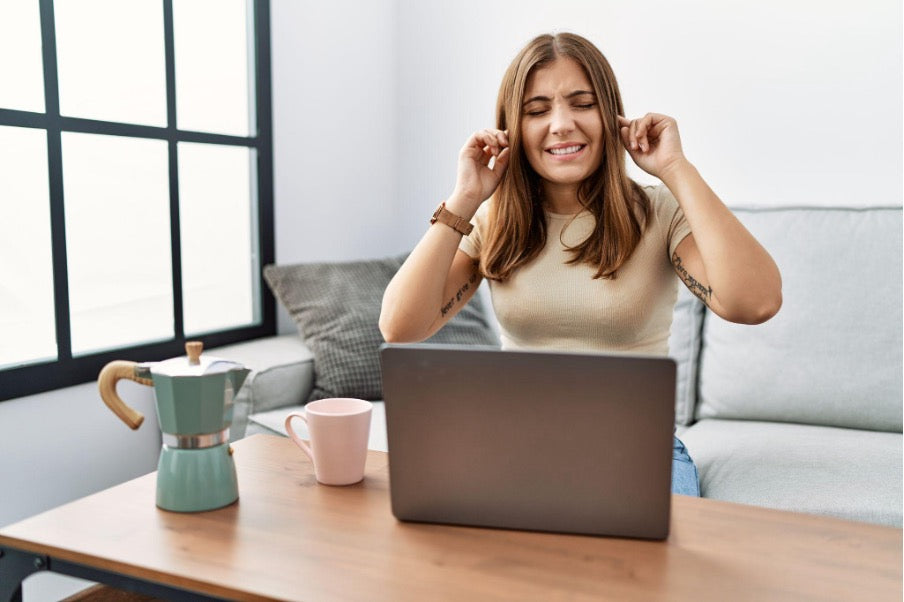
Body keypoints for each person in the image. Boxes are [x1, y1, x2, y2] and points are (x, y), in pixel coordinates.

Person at [379, 32, 782, 496]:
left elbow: (756, 302)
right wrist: (465, 198)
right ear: (513, 128)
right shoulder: (494, 222)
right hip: (514, 445)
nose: (561, 124)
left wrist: (676, 168)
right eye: (537, 110)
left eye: (582, 103)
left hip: (638, 450)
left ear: (611, 116)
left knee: (642, 566)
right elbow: (399, 327)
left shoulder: (658, 213)